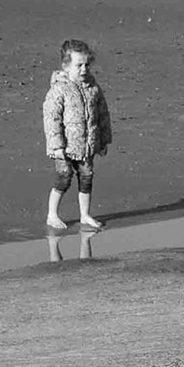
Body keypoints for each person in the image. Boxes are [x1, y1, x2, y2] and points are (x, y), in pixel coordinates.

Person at [43, 38, 113, 232]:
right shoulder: (59, 89)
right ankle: (52, 214)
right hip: (65, 147)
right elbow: (51, 118)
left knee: (87, 177)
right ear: (66, 65)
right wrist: (56, 145)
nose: (83, 69)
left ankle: (85, 214)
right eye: (78, 65)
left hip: (87, 144)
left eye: (86, 65)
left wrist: (103, 140)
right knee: (64, 177)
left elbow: (102, 114)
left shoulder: (92, 87)